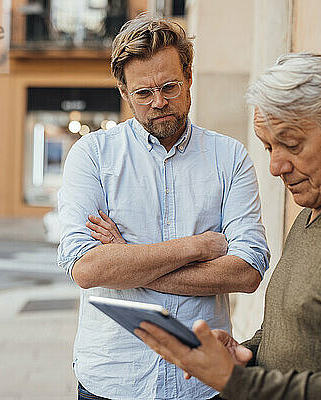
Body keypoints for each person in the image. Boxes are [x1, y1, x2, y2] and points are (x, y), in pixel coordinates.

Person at [135, 53, 321, 400]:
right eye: (268, 147)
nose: (276, 166)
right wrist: (239, 356)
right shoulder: (313, 209)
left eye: (292, 144)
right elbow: (294, 333)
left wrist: (236, 383)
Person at [57, 14, 270, 400]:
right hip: (113, 378)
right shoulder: (92, 157)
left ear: (189, 76)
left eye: (170, 86)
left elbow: (248, 271)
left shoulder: (230, 157)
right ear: (124, 93)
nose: (159, 103)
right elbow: (87, 269)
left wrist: (126, 260)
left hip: (203, 382)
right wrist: (197, 247)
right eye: (143, 93)